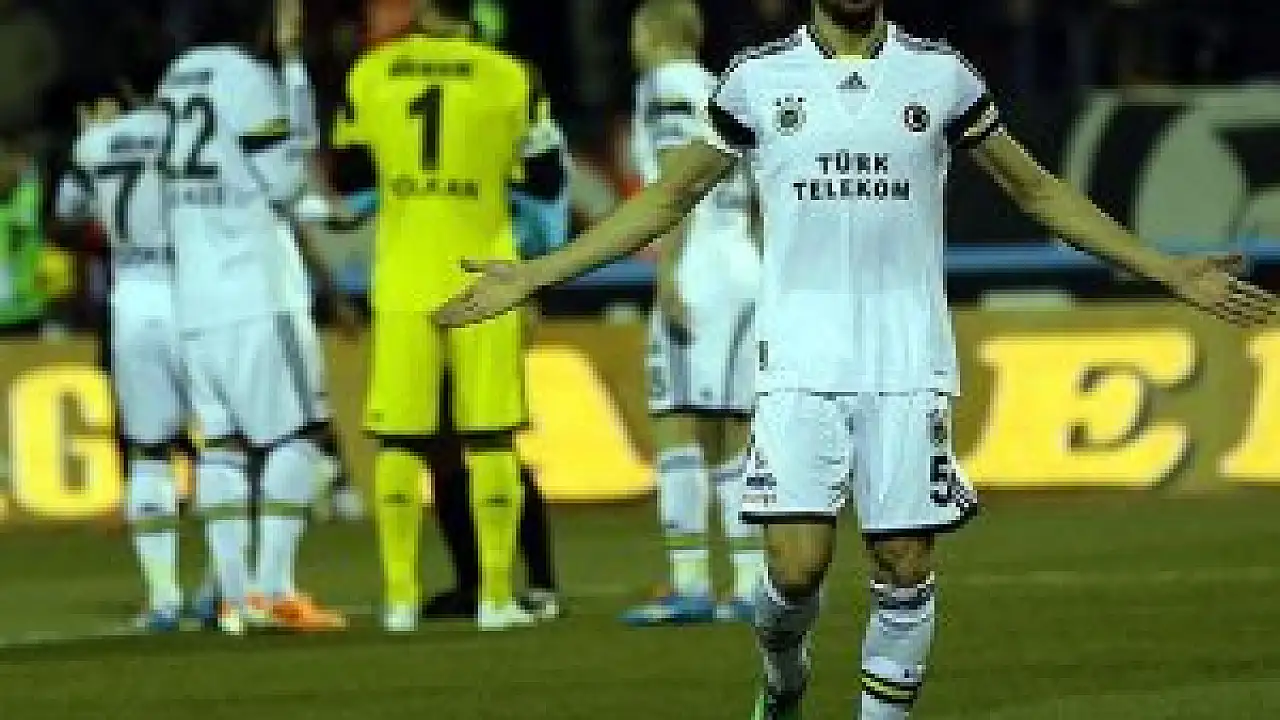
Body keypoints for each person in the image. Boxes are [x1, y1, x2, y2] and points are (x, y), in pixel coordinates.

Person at [434, 0, 1278, 717]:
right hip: (800, 359)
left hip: (906, 358)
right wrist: (536, 273)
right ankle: (782, 675)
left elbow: (1038, 190)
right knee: (795, 571)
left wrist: (1166, 268)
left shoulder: (939, 76)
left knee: (905, 561)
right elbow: (665, 198)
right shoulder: (758, 80)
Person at [331, 0, 565, 632]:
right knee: (491, 436)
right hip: (484, 275)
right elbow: (546, 179)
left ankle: (399, 598)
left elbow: (348, 170)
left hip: (402, 277)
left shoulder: (371, 73)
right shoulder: (511, 76)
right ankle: (496, 597)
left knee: (401, 440)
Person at [156, 0, 345, 634]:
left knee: (223, 446)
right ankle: (275, 589)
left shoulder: (177, 78)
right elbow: (286, 182)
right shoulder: (248, 78)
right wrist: (293, 72)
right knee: (300, 434)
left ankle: (234, 596)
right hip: (256, 291)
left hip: (195, 295)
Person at [620, 0, 766, 627]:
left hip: (698, 266)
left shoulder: (662, 89)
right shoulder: (723, 88)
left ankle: (690, 583)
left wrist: (667, 272)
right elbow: (757, 191)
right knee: (730, 430)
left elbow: (678, 179)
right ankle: (750, 582)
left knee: (675, 423)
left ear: (651, 34)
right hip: (743, 266)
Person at [55, 77, 187, 631]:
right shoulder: (186, 130)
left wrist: (91, 143)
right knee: (230, 443)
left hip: (132, 297)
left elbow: (66, 211)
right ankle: (232, 588)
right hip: (194, 289)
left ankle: (164, 598)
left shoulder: (95, 143)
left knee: (147, 450)